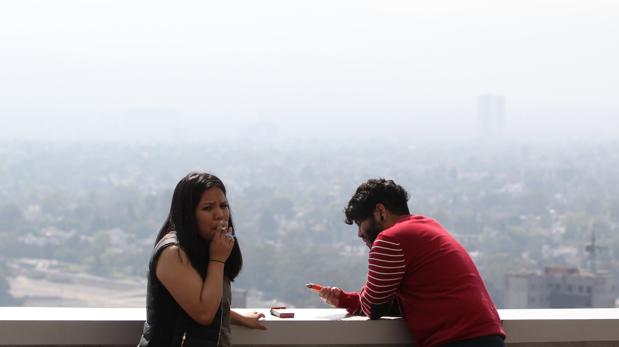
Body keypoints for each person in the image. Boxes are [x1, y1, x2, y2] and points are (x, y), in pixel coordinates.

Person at [318, 178, 506, 347]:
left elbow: (374, 307)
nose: (359, 233)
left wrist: (358, 300)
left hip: (457, 340)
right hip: (487, 336)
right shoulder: (427, 225)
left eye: (360, 223)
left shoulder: (390, 239)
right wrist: (346, 300)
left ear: (380, 212)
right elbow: (415, 299)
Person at [138, 172, 266, 347]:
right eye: (207, 208)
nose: (220, 215)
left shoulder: (205, 246)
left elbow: (202, 300)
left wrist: (238, 318)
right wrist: (217, 260)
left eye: (223, 205)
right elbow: (204, 313)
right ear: (188, 214)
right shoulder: (172, 253)